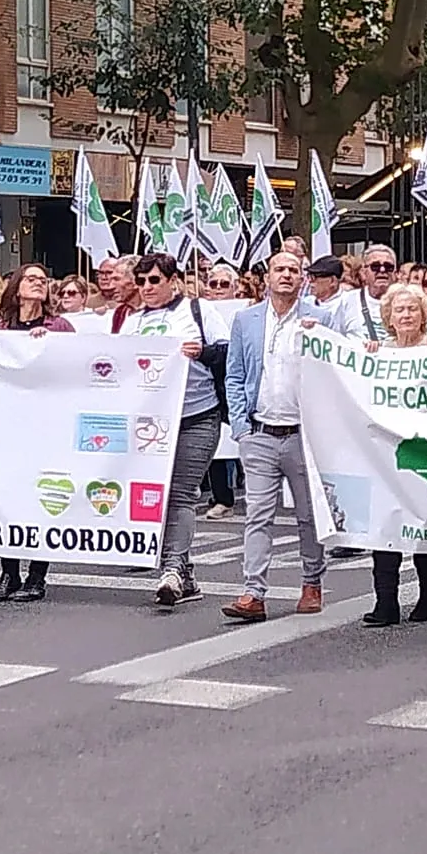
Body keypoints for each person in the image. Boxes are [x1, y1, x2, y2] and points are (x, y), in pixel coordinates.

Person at [221, 250, 325, 621]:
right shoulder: (246, 320)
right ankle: (253, 592)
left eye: (293, 271)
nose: (286, 276)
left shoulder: (320, 319)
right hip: (260, 432)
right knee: (258, 515)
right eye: (279, 269)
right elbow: (234, 375)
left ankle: (312, 581)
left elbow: (339, 371)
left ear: (303, 279)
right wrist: (241, 427)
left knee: (309, 515)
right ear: (266, 277)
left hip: (304, 435)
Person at [121, 253, 223, 608]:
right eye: (141, 281)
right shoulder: (131, 323)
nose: (147, 287)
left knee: (181, 492)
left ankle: (172, 569)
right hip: (151, 420)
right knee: (157, 495)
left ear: (172, 280)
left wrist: (203, 353)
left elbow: (226, 352)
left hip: (196, 414)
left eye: (154, 280)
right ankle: (187, 572)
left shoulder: (198, 311)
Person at [359, 284, 427, 626]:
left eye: (413, 309)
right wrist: (366, 357)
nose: (407, 315)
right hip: (385, 455)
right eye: (400, 310)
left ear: (424, 315)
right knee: (385, 528)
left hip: (426, 454)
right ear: (389, 318)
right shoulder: (377, 353)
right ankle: (386, 603)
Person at [0, 264, 74, 602]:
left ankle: (37, 575)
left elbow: (73, 367)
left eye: (43, 280)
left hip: (46, 427)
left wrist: (51, 345)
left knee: (42, 498)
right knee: (6, 500)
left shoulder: (59, 326)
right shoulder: (1, 328)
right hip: (8, 427)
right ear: (16, 287)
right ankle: (8, 573)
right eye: (31, 278)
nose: (38, 283)